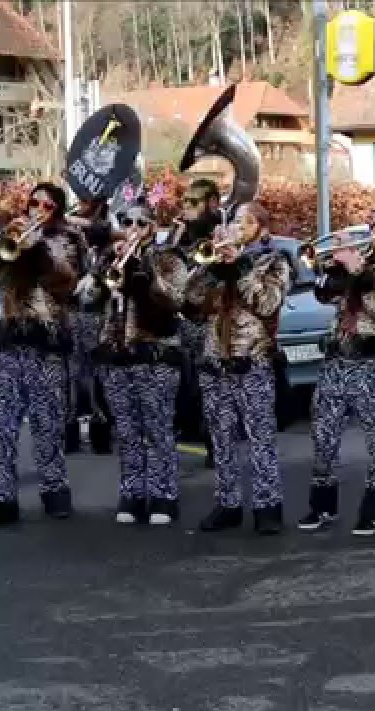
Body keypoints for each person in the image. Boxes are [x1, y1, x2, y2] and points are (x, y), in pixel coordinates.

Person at [0, 182, 78, 527]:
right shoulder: (12, 234)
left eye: (47, 205)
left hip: (45, 343)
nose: (38, 209)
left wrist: (37, 250)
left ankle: (54, 490)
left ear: (57, 211)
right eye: (35, 202)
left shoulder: (67, 240)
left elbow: (66, 280)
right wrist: (3, 247)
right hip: (8, 342)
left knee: (48, 425)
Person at [298, 205, 375, 535]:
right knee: (323, 436)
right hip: (337, 359)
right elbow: (323, 294)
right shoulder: (353, 262)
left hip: (374, 362)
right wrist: (335, 266)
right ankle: (321, 505)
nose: (374, 231)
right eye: (372, 224)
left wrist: (360, 271)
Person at [186, 201, 292, 535]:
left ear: (261, 228)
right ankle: (227, 503)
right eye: (235, 222)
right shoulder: (217, 259)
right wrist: (210, 267)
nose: (238, 228)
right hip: (216, 361)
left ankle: (267, 506)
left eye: (245, 223)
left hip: (253, 361)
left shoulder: (275, 262)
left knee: (261, 437)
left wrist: (242, 267)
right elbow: (189, 298)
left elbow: (268, 304)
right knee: (221, 439)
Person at [92, 199, 187, 525]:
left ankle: (164, 495)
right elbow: (89, 298)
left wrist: (145, 274)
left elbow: (177, 300)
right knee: (127, 430)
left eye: (140, 223)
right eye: (127, 222)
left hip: (155, 356)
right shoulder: (111, 258)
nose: (132, 229)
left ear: (152, 228)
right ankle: (132, 493)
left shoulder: (167, 259)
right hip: (117, 356)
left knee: (158, 428)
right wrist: (105, 271)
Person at [175, 178, 225, 468]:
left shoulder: (220, 233)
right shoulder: (183, 235)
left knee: (212, 388)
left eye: (193, 202)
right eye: (184, 202)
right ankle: (192, 430)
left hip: (211, 322)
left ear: (212, 204)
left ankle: (216, 445)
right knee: (190, 388)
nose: (186, 207)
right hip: (185, 322)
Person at [62, 197, 114, 454]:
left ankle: (101, 434)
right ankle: (70, 432)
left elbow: (103, 229)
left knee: (97, 379)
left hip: (97, 318)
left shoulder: (108, 250)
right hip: (73, 317)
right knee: (73, 378)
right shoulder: (77, 247)